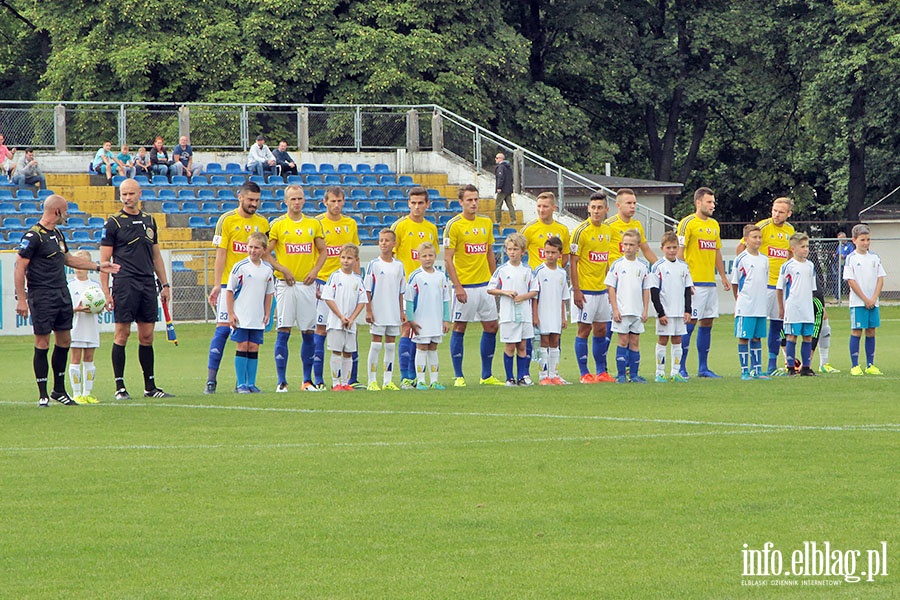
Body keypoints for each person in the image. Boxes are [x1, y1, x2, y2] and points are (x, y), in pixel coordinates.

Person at [15, 195, 120, 407]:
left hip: (61, 293)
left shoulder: (58, 234)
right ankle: (42, 393)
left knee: (64, 341)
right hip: (41, 295)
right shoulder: (33, 236)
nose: (67, 215)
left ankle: (59, 390)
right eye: (65, 211)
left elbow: (68, 259)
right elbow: (20, 267)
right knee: (42, 342)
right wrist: (22, 299)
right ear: (57, 212)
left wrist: (99, 266)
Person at [205, 181, 286, 394]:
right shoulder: (227, 220)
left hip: (255, 287)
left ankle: (244, 382)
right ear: (240, 197)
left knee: (251, 338)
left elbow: (267, 254)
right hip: (230, 285)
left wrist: (281, 270)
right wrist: (217, 285)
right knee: (223, 331)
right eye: (250, 199)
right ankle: (211, 380)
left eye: (257, 200)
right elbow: (221, 253)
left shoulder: (262, 222)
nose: (254, 204)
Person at [100, 178, 174, 400]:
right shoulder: (113, 223)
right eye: (124, 194)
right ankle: (119, 386)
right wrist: (106, 291)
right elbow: (104, 260)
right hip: (124, 283)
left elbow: (156, 256)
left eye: (131, 193)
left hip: (146, 283)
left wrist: (165, 284)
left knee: (147, 336)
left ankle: (150, 387)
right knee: (122, 334)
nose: (127, 198)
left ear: (139, 194)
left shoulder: (150, 221)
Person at [443, 184, 504, 387]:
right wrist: (457, 286)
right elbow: (448, 259)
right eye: (469, 200)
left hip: (485, 286)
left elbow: (489, 253)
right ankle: (458, 375)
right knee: (460, 327)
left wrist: (493, 281)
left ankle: (486, 375)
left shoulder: (486, 222)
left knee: (492, 326)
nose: (474, 203)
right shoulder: (454, 225)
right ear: (461, 202)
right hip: (465, 287)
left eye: (476, 199)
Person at [268, 184, 327, 392]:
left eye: (300, 198)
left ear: (304, 200)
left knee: (308, 331)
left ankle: (306, 380)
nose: (297, 202)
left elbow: (323, 251)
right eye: (293, 199)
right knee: (283, 330)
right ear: (285, 201)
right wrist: (282, 269)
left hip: (307, 284)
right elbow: (266, 253)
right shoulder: (277, 225)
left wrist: (315, 271)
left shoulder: (313, 224)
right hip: (286, 284)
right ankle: (281, 381)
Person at [735, 197, 794, 375]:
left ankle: (771, 365)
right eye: (774, 210)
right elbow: (741, 248)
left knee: (777, 325)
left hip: (779, 285)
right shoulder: (763, 226)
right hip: (764, 286)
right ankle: (749, 369)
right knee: (754, 329)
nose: (776, 214)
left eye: (781, 212)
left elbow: (790, 254)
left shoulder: (790, 230)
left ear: (789, 214)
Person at [676, 187, 731, 378]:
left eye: (713, 202)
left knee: (707, 322)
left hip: (709, 282)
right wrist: (684, 279)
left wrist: (723, 276)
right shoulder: (687, 223)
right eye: (709, 202)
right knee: (689, 322)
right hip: (694, 282)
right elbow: (679, 251)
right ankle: (680, 367)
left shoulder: (714, 225)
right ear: (698, 202)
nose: (712, 205)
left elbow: (716, 250)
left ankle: (703, 368)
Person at [603, 188, 658, 374]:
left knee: (631, 335)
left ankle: (628, 371)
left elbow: (646, 249)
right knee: (611, 330)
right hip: (614, 284)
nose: (633, 206)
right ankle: (603, 369)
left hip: (632, 285)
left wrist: (660, 267)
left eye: (634, 203)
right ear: (618, 205)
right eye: (629, 203)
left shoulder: (637, 226)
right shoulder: (608, 225)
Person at [390, 187, 439, 389]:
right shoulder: (400, 226)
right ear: (408, 204)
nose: (417, 207)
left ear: (427, 204)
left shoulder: (431, 228)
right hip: (406, 287)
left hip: (426, 288)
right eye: (413, 203)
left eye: (421, 203)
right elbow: (391, 255)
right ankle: (406, 376)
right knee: (406, 327)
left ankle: (421, 377)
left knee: (423, 330)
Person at [314, 187, 361, 389]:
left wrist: (359, 281)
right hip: (324, 283)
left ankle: (351, 379)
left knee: (350, 326)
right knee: (322, 329)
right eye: (332, 201)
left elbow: (355, 254)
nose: (336, 205)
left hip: (348, 285)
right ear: (325, 202)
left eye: (340, 201)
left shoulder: (350, 224)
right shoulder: (317, 223)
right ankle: (319, 380)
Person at [570, 192, 615, 384]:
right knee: (584, 330)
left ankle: (600, 372)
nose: (596, 211)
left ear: (606, 210)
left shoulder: (608, 231)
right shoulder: (581, 231)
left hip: (602, 290)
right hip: (586, 291)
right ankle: (583, 373)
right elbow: (573, 262)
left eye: (600, 208)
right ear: (588, 209)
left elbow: (604, 261)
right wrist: (577, 290)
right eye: (593, 207)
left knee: (601, 330)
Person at [226, 232, 276, 393]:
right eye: (250, 247)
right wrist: (231, 313)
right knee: (243, 345)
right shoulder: (240, 267)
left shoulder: (267, 269)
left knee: (254, 346)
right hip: (242, 314)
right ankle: (241, 384)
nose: (252, 250)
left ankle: (251, 383)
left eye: (256, 247)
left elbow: (269, 293)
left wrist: (267, 312)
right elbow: (229, 291)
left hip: (257, 315)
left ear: (263, 249)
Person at [488, 233, 537, 386]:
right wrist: (505, 292)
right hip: (508, 315)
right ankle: (509, 378)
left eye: (515, 249)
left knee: (522, 345)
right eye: (509, 249)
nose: (512, 252)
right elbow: (490, 289)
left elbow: (535, 290)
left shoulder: (528, 270)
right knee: (510, 346)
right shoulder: (502, 270)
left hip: (524, 315)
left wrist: (524, 297)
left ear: (523, 252)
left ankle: (523, 376)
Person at [605, 229, 651, 383]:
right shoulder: (617, 265)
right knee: (623, 341)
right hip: (622, 311)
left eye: (631, 245)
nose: (628, 247)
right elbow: (610, 287)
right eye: (625, 244)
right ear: (621, 246)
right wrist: (615, 309)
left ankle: (634, 375)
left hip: (637, 311)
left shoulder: (643, 266)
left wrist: (645, 310)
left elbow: (646, 289)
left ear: (638, 247)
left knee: (635, 342)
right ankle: (621, 375)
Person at [364, 229, 407, 391]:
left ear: (394, 244)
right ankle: (372, 380)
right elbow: (367, 290)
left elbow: (401, 291)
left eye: (387, 240)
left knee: (390, 345)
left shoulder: (399, 266)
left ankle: (388, 380)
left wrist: (402, 311)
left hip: (393, 311)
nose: (383, 243)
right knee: (376, 344)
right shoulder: (374, 265)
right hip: (378, 310)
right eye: (381, 240)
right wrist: (369, 310)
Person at [321, 244, 368, 391]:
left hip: (350, 323)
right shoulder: (335, 277)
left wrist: (352, 318)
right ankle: (336, 383)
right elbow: (328, 298)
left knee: (348, 352)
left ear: (356, 260)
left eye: (349, 258)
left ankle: (346, 382)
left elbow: (362, 300)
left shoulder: (358, 279)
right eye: (343, 257)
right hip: (336, 322)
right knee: (336, 351)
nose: (346, 261)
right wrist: (341, 316)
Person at [406, 242, 452, 390]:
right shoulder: (415, 276)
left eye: (430, 255)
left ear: (435, 256)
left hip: (436, 319)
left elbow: (445, 299)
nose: (427, 259)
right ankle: (420, 380)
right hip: (420, 320)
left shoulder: (440, 276)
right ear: (418, 257)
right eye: (424, 256)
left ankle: (434, 380)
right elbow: (409, 300)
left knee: (433, 347)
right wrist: (411, 319)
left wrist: (446, 319)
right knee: (421, 347)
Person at [649, 231, 692, 383]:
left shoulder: (683, 266)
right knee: (662, 340)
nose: (672, 250)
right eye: (669, 248)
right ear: (662, 248)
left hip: (679, 312)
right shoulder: (658, 267)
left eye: (674, 247)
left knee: (677, 340)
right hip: (665, 312)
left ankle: (675, 372)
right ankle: (659, 372)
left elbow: (687, 290)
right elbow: (654, 292)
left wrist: (688, 310)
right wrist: (660, 313)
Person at [843, 224, 885, 376]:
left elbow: (880, 278)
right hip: (858, 302)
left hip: (873, 302)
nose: (866, 243)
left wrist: (873, 298)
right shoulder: (851, 258)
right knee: (856, 331)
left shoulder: (875, 257)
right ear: (854, 240)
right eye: (862, 240)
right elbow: (851, 281)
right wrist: (865, 299)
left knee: (871, 331)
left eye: (868, 239)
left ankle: (870, 364)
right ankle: (855, 365)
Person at [732, 224, 770, 380]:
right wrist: (740, 299)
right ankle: (744, 370)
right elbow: (735, 283)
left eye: (759, 237)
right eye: (754, 237)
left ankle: (757, 370)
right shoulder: (741, 259)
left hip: (760, 306)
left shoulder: (764, 260)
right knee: (744, 337)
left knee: (757, 337)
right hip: (746, 306)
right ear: (746, 240)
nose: (758, 240)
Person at [776, 232, 817, 376]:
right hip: (793, 307)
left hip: (807, 308)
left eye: (807, 246)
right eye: (802, 246)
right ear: (793, 249)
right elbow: (780, 288)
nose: (806, 249)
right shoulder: (788, 266)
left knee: (807, 336)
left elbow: (812, 289)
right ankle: (791, 368)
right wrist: (781, 307)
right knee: (792, 336)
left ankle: (806, 367)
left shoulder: (810, 266)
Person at [531, 237, 569, 385]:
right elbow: (535, 296)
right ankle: (543, 376)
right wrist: (535, 315)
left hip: (556, 314)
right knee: (544, 342)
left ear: (560, 254)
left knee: (555, 342)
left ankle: (554, 374)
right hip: (542, 313)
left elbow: (563, 297)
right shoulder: (539, 271)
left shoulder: (562, 273)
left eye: (553, 252)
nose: (550, 255)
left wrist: (564, 317)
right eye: (547, 252)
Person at [67, 250, 103, 404]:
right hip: (76, 327)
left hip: (91, 326)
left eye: (83, 265)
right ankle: (76, 394)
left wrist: (99, 308)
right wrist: (76, 309)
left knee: (89, 359)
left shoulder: (95, 286)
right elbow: (65, 308)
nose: (80, 268)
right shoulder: (69, 285)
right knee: (75, 359)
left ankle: (87, 392)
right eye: (77, 265)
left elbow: (101, 304)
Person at [494, 152, 515, 224]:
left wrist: (499, 187)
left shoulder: (501, 167)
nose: (495, 159)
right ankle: (513, 220)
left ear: (500, 159)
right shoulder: (509, 167)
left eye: (496, 158)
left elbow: (501, 178)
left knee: (498, 205)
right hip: (508, 189)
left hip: (502, 189)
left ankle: (498, 221)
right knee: (510, 205)